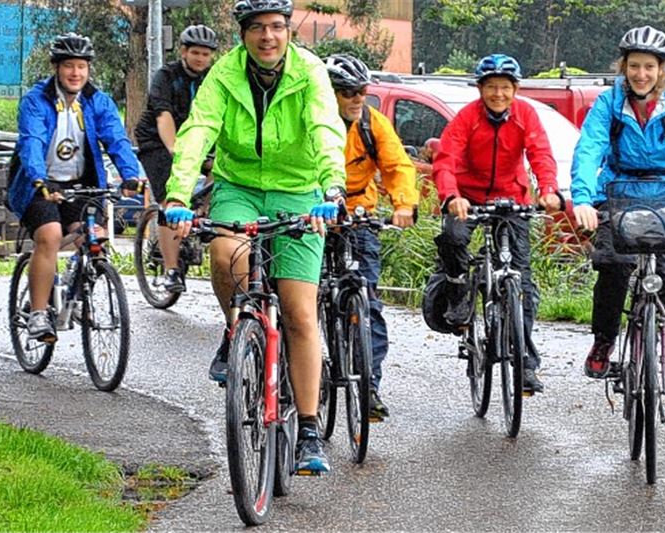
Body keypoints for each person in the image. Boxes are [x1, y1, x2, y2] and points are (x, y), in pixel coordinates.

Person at [163, 0, 346, 474]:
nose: (268, 37)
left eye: (277, 27)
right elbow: (198, 130)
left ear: (289, 32)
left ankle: (308, 430)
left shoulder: (310, 71)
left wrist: (332, 186)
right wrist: (178, 195)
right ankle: (236, 328)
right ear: (243, 35)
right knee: (224, 253)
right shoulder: (224, 73)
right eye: (258, 28)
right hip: (239, 187)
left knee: (300, 313)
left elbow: (326, 127)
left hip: (301, 191)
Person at [571, 26, 665, 422]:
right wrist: (583, 198)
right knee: (613, 266)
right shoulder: (608, 104)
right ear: (624, 67)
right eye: (634, 66)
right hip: (618, 192)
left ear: (661, 69)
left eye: (649, 67)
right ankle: (604, 342)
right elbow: (589, 149)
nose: (641, 74)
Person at [431, 53, 562, 394]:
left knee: (523, 282)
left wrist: (547, 189)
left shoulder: (525, 115)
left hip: (511, 198)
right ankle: (459, 290)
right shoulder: (467, 118)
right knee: (452, 236)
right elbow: (446, 159)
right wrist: (450, 195)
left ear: (515, 89)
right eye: (491, 87)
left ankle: (526, 366)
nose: (499, 94)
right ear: (480, 89)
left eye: (505, 87)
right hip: (467, 196)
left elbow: (540, 154)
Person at [7, 32, 141, 343]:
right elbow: (32, 141)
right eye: (69, 66)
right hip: (38, 185)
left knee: (94, 235)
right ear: (56, 67)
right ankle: (39, 312)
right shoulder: (36, 100)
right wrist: (41, 179)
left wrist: (130, 175)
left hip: (82, 185)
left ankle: (76, 288)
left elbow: (117, 141)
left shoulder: (97, 101)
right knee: (51, 235)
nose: (76, 73)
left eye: (82, 66)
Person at [324, 53, 417, 421]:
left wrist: (404, 204)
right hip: (315, 213)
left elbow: (397, 166)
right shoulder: (311, 123)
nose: (357, 99)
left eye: (362, 91)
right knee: (298, 297)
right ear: (329, 93)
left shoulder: (372, 124)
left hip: (358, 213)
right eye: (347, 92)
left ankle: (370, 383)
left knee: (368, 299)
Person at [134, 24, 219, 293]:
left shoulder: (213, 80)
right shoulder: (166, 76)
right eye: (195, 53)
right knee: (169, 202)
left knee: (220, 169)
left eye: (206, 54)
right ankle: (172, 271)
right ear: (183, 51)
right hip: (157, 142)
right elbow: (164, 118)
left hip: (197, 141)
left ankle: (203, 211)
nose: (200, 59)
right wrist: (181, 155)